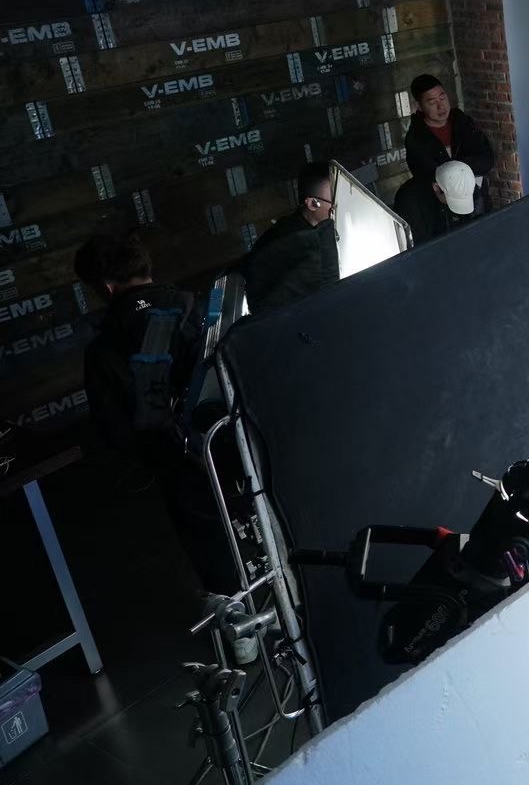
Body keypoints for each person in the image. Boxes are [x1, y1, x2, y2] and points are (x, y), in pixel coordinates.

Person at [73, 228, 238, 597]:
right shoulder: (205, 307)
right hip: (244, 445)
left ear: (106, 288)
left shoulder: (102, 352)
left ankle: (242, 616)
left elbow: (115, 432)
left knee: (220, 568)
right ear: (145, 266)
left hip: (184, 474)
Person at [242, 160, 339, 313]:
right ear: (312, 204)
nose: (339, 207)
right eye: (335, 202)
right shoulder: (294, 241)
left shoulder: (309, 231)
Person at [404, 73, 495, 213]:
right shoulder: (416, 138)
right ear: (419, 106)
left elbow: (487, 159)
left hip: (477, 199)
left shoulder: (463, 123)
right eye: (432, 102)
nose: (441, 106)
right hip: (441, 208)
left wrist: (456, 169)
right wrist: (461, 173)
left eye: (443, 98)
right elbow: (425, 177)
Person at [393, 159, 487, 245]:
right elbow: (416, 245)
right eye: (453, 199)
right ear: (436, 187)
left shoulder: (466, 183)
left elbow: (475, 224)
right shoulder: (409, 200)